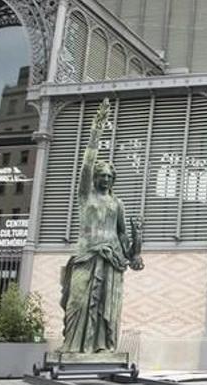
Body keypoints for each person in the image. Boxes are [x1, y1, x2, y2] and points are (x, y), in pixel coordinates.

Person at [60, 99, 144, 354]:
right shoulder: (86, 196)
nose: (105, 179)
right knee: (76, 301)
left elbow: (122, 234)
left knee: (107, 305)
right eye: (102, 175)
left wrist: (136, 245)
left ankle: (102, 347)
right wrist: (96, 133)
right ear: (95, 178)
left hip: (112, 258)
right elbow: (86, 165)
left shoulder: (117, 203)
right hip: (86, 254)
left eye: (109, 176)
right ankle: (71, 346)